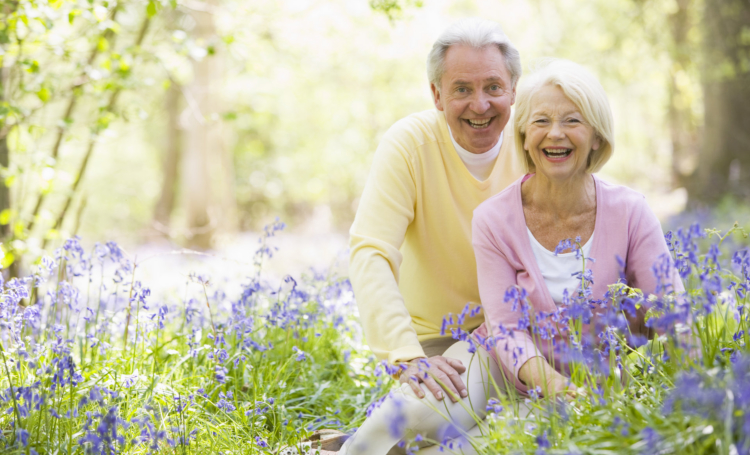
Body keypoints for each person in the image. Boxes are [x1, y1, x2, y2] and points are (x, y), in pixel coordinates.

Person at [341, 18, 525, 454]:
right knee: (417, 419)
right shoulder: (410, 144)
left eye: (493, 87)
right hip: (434, 343)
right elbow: (371, 251)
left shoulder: (534, 142)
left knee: (477, 433)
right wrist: (406, 356)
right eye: (461, 89)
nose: (479, 105)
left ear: (514, 91)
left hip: (517, 336)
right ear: (437, 95)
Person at [471, 58, 685, 397]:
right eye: (541, 121)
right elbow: (507, 330)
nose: (555, 133)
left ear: (597, 137)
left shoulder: (631, 211)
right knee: (419, 416)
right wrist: (560, 389)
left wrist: (698, 375)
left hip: (603, 384)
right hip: (506, 370)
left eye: (572, 120)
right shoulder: (492, 219)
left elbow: (671, 309)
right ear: (525, 136)